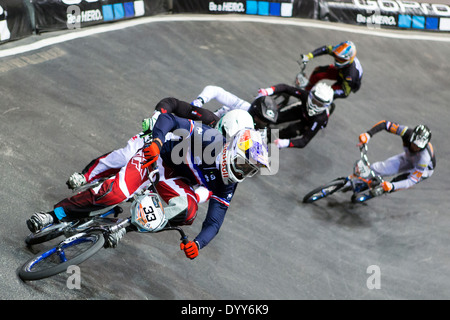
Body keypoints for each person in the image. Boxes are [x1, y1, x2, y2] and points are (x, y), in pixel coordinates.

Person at [27, 107, 270, 260]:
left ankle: (125, 226)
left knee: (189, 211)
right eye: (243, 164)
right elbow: (171, 119)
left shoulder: (229, 183)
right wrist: (155, 141)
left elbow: (215, 222)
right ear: (232, 149)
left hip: (174, 180)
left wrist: (199, 243)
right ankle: (53, 215)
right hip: (155, 158)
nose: (242, 172)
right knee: (113, 195)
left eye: (248, 170)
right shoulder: (210, 138)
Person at [192, 84, 335, 149]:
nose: (262, 123)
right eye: (260, 119)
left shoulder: (260, 135)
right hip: (213, 129)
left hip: (308, 123)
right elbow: (216, 90)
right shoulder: (243, 106)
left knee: (288, 133)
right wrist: (200, 101)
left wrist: (285, 143)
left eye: (265, 122)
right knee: (278, 119)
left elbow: (304, 141)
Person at [358, 121, 435, 193]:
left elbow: (411, 180)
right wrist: (368, 134)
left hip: (424, 170)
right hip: (409, 158)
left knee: (397, 182)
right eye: (414, 144)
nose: (415, 148)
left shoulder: (424, 158)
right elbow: (385, 124)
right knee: (377, 168)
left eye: (419, 147)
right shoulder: (405, 132)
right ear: (411, 137)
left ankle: (386, 188)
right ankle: (356, 181)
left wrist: (392, 186)